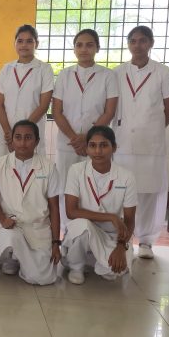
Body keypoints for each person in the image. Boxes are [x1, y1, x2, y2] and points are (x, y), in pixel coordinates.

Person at [112, 26, 169, 259]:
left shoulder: (162, 72)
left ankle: (147, 241)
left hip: (151, 144)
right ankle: (122, 239)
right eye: (133, 41)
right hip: (122, 142)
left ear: (151, 43)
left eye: (142, 41)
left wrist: (154, 127)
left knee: (149, 193)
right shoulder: (117, 72)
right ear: (128, 44)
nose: (137, 45)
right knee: (122, 193)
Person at [52, 29, 118, 230]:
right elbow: (57, 111)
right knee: (66, 187)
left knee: (94, 187)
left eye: (89, 45)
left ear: (97, 48)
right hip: (68, 144)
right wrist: (75, 138)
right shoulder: (64, 75)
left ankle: (93, 231)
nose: (84, 49)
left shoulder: (108, 75)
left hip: (96, 145)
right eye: (79, 45)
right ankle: (68, 231)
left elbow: (109, 111)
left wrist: (88, 139)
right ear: (74, 49)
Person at [0, 120, 62, 285]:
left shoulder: (49, 167)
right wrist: (3, 219)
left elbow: (54, 208)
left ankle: (25, 261)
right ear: (12, 140)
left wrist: (55, 243)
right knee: (10, 238)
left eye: (28, 137)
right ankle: (10, 258)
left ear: (37, 141)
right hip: (10, 226)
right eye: (18, 137)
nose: (22, 143)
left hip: (37, 229)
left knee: (43, 278)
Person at [62, 126, 137, 285]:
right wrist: (111, 217)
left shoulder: (126, 177)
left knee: (113, 272)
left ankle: (99, 259)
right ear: (87, 148)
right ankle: (76, 267)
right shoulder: (76, 170)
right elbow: (71, 211)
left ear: (114, 148)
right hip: (83, 230)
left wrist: (121, 246)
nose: (98, 151)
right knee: (82, 226)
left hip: (111, 235)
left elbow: (130, 220)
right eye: (92, 145)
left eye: (104, 145)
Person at [0, 25, 54, 157]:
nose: (24, 45)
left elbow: (44, 106)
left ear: (36, 44)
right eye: (20, 41)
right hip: (7, 134)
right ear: (14, 44)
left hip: (31, 131)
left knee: (32, 166)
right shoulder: (6, 69)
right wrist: (9, 134)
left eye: (29, 41)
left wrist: (21, 133)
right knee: (4, 166)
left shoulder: (44, 69)